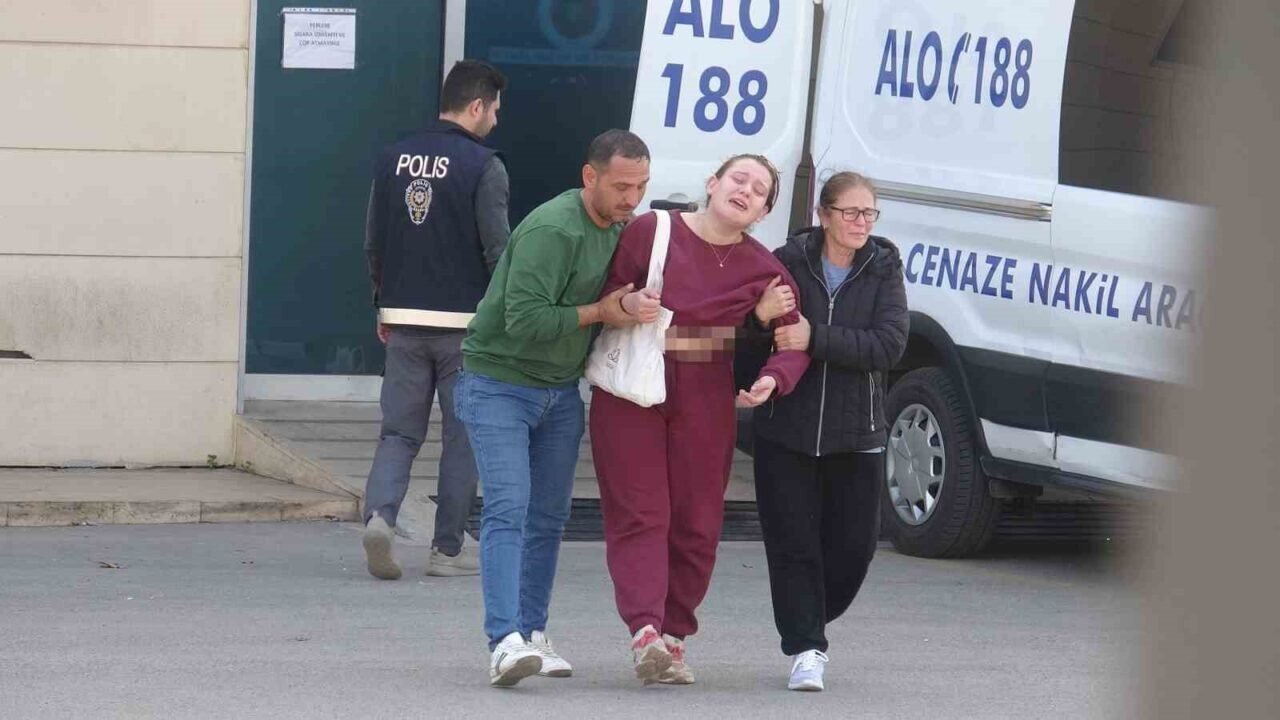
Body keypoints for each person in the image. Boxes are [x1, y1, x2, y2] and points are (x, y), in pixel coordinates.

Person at [589, 154, 812, 685]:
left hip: (706, 396)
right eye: (738, 179)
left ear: (763, 211)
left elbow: (794, 340)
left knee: (696, 522)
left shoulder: (766, 271)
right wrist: (629, 304)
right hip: (634, 388)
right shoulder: (652, 231)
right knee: (641, 512)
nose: (746, 190)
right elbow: (606, 297)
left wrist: (774, 378)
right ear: (713, 183)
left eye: (758, 190)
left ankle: (674, 636)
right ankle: (645, 631)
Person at [453, 129, 653, 687]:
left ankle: (532, 633)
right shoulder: (553, 229)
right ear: (590, 176)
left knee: (549, 516)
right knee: (508, 508)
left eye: (641, 186)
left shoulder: (623, 227)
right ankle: (503, 642)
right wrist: (603, 311)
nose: (632, 199)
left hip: (561, 390)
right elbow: (525, 319)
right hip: (497, 383)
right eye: (621, 187)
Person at [748, 171, 908, 691]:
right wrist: (760, 320)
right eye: (851, 212)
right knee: (791, 545)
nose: (861, 222)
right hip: (786, 431)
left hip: (856, 434)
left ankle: (810, 616)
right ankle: (806, 648)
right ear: (823, 214)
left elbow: (889, 346)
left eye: (869, 213)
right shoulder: (787, 261)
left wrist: (815, 337)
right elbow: (756, 334)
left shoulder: (884, 269)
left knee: (854, 550)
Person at [360, 59, 511, 581]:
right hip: (467, 330)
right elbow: (499, 252)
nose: (495, 120)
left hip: (403, 321)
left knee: (398, 434)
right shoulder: (484, 165)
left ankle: (380, 518)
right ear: (477, 106)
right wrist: (505, 321)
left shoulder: (391, 159)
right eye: (494, 110)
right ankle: (447, 550)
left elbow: (374, 242)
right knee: (462, 437)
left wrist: (383, 304)